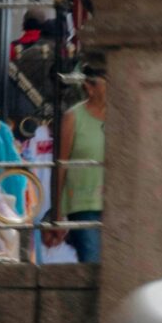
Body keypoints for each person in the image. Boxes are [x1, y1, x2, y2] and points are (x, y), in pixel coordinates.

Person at [43, 62, 105, 264]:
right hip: (84, 206)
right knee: (92, 263)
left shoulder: (122, 117)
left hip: (118, 206)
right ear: (90, 87)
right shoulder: (73, 118)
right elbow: (60, 167)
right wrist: (57, 213)